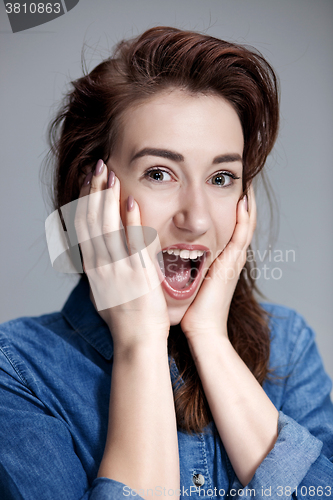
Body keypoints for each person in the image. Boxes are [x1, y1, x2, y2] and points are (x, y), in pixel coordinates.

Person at [0, 26, 332, 500]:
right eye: (160, 173)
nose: (196, 219)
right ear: (90, 191)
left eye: (222, 177)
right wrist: (139, 344)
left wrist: (211, 340)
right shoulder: (16, 371)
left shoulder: (289, 348)